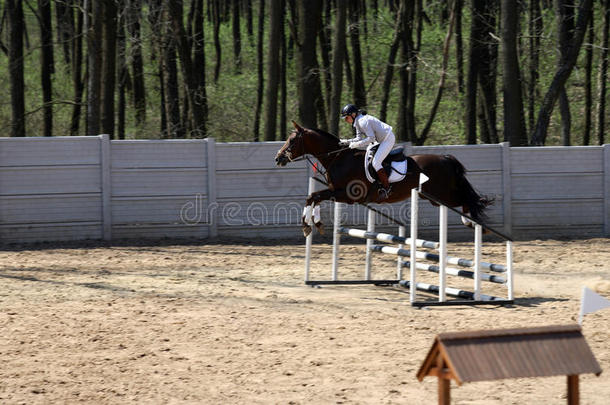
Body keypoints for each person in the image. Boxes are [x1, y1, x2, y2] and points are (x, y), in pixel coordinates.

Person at [339, 104, 395, 199]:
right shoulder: (357, 122)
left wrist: (356, 145)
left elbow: (371, 138)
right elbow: (358, 138)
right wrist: (347, 141)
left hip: (387, 138)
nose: (345, 120)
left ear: (353, 114)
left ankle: (387, 187)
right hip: (380, 139)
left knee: (376, 163)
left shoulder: (363, 121)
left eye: (346, 117)